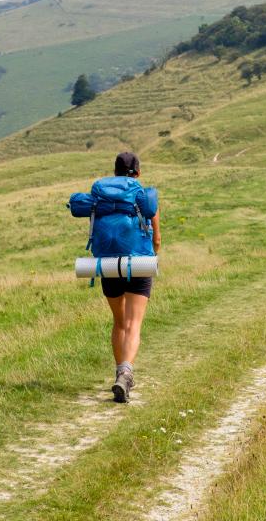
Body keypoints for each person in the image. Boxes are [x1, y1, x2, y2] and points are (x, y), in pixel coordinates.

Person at [101, 152, 160, 402]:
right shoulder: (143, 195)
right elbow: (157, 239)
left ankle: (119, 372)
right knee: (134, 324)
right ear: (137, 172)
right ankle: (126, 373)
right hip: (139, 262)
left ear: (114, 172)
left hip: (108, 263)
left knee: (119, 322)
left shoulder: (103, 197)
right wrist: (152, 253)